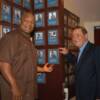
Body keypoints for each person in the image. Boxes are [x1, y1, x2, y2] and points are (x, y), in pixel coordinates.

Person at [0, 12, 54, 100]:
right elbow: (3, 64)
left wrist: (43, 69)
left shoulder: (29, 41)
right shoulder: (11, 37)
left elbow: (27, 65)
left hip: (28, 91)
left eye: (32, 22)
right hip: (15, 93)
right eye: (26, 20)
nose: (29, 24)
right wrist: (14, 86)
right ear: (20, 21)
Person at [59, 26, 100, 100]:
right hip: (80, 93)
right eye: (73, 36)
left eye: (78, 35)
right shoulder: (81, 50)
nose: (74, 38)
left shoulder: (96, 49)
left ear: (86, 36)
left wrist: (98, 97)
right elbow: (78, 64)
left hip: (91, 95)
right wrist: (68, 53)